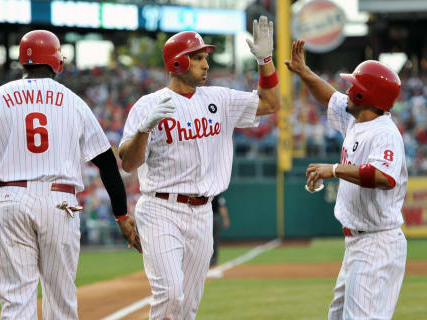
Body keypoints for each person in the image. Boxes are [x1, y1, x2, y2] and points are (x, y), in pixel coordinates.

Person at [0, 30, 141, 319]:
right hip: (60, 202)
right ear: (58, 62)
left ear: (22, 62)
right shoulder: (73, 102)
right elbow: (107, 163)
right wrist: (121, 214)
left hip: (10, 197)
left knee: (16, 303)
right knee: (61, 302)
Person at [119, 16, 281, 320]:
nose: (206, 64)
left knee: (188, 307)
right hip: (161, 209)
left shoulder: (220, 99)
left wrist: (265, 61)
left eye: (205, 57)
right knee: (170, 295)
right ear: (178, 62)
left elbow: (271, 103)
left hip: (202, 212)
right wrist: (144, 129)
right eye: (197, 57)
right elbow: (128, 163)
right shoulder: (147, 105)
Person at [285, 40, 407, 319]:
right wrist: (304, 72)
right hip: (358, 243)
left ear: (366, 96)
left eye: (354, 87)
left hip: (377, 243)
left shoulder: (384, 133)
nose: (348, 91)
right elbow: (328, 96)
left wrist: (335, 169)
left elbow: (384, 177)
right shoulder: (357, 120)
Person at [210, 194, 230, 267]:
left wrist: (225, 219)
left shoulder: (213, 193)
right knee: (213, 240)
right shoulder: (217, 193)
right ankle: (213, 259)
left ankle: (213, 259)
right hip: (211, 217)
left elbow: (222, 206)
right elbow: (222, 206)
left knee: (213, 240)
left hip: (211, 217)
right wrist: (226, 219)